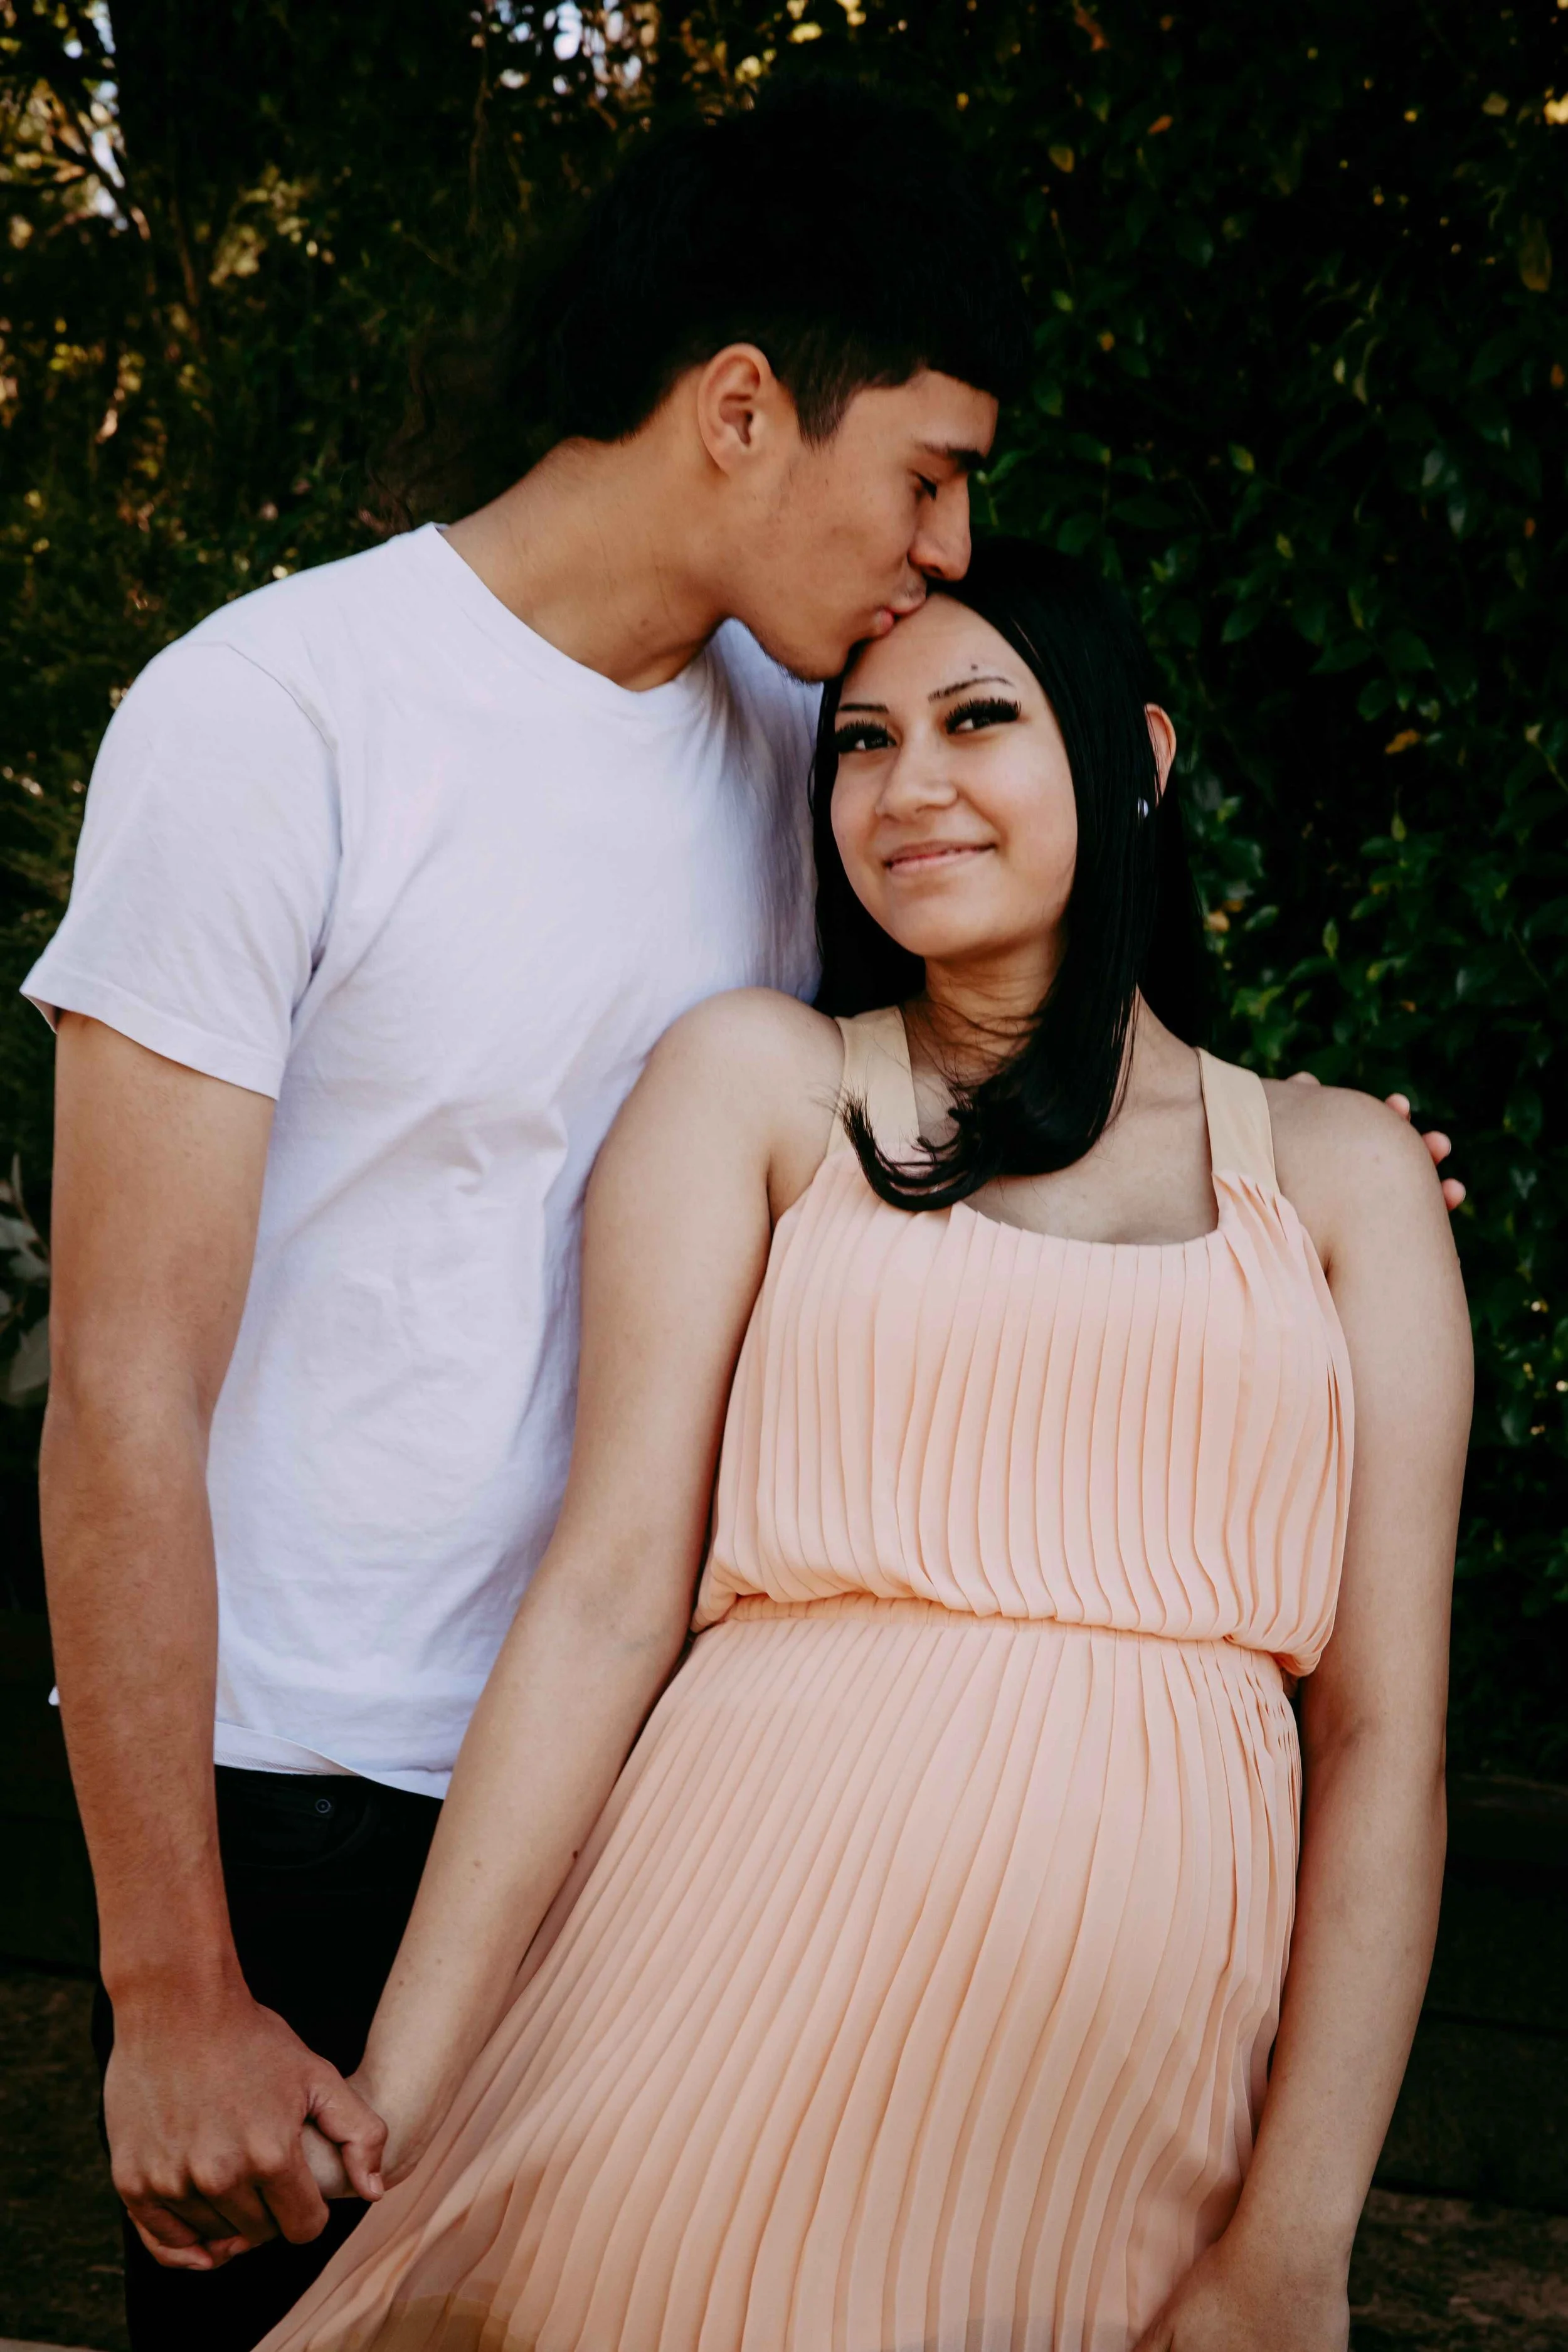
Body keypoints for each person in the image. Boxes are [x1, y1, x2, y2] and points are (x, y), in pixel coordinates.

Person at [28, 82, 1030, 2349]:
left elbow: (996, 1076)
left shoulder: (823, 753)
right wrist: (170, 1985)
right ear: (740, 410)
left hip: (666, 1799)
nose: (948, 546)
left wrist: (1299, 1166)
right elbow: (124, 1385)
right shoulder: (276, 712)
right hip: (310, 1800)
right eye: (926, 474)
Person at [252, 539, 1473, 2352]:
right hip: (715, 1998)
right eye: (862, 741)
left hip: (1124, 2113)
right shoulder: (761, 1086)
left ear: (1135, 755)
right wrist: (402, 2091)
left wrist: (1297, 2243)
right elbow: (605, 1598)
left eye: (979, 720)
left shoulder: (1341, 1173)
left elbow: (1383, 1739)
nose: (908, 788)